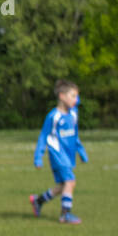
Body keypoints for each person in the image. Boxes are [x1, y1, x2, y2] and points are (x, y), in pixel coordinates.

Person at [30, 80, 87, 224]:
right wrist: (38, 157)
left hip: (68, 156)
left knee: (63, 186)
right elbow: (43, 136)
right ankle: (65, 215)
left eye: (76, 96)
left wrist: (81, 151)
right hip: (57, 155)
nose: (76, 100)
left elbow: (75, 135)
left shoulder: (73, 114)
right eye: (72, 96)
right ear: (62, 96)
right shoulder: (53, 116)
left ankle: (38, 200)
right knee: (70, 182)